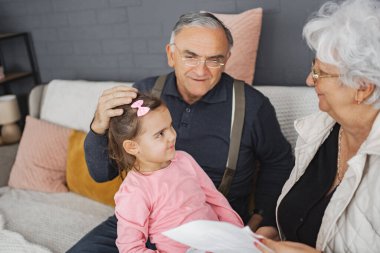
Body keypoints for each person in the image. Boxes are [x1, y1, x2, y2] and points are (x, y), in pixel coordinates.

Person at [68, 11, 293, 252]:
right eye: (191, 56)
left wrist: (264, 221)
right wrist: (98, 127)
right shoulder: (144, 94)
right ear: (171, 54)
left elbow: (278, 164)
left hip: (209, 225)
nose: (201, 70)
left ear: (227, 59)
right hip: (140, 221)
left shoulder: (252, 106)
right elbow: (102, 174)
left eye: (214, 59)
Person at [257, 0, 380, 252]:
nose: (309, 81)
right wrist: (269, 231)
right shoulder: (318, 131)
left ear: (362, 88)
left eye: (320, 72)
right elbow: (294, 210)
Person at [109, 93, 243, 252]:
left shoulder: (184, 160)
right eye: (160, 134)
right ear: (132, 147)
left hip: (221, 242)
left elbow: (216, 200)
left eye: (170, 126)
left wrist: (236, 233)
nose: (173, 135)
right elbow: (130, 248)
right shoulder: (134, 191)